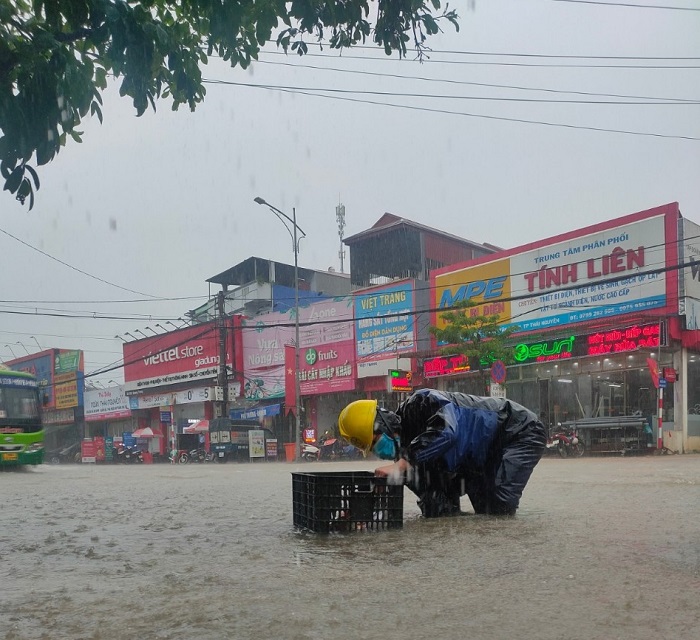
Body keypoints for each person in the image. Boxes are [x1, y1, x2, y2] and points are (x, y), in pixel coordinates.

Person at [338, 389, 546, 518]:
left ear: (383, 424)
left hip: (518, 430)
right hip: (478, 458)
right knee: (479, 513)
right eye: (372, 449)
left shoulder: (421, 402)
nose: (378, 451)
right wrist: (366, 507)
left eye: (375, 442)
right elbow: (434, 499)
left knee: (499, 504)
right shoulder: (406, 457)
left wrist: (402, 464)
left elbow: (447, 432)